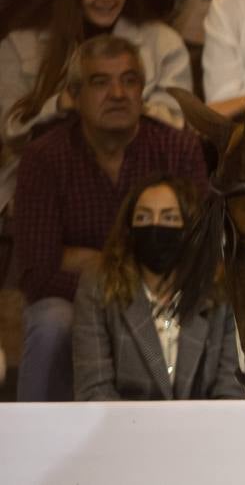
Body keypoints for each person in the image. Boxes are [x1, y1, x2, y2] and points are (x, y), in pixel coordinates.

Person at [12, 34, 207, 401]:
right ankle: (35, 447)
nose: (118, 93)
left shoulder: (178, 148)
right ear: (74, 94)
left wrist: (89, 259)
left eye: (129, 80)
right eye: (100, 82)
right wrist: (117, 287)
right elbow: (39, 274)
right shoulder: (44, 158)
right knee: (52, 322)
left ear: (142, 92)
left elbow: (198, 250)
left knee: (202, 315)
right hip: (73, 301)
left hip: (166, 297)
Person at [1, 0, 191, 146]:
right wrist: (59, 106)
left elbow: (176, 125)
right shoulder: (18, 45)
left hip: (138, 167)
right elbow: (9, 132)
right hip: (45, 168)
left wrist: (125, 108)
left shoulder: (164, 42)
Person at [72, 175, 244, 400]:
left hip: (203, 431)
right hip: (124, 431)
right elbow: (93, 392)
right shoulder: (98, 286)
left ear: (189, 228)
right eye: (143, 217)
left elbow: (231, 391)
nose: (155, 226)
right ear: (129, 228)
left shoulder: (222, 291)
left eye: (169, 217)